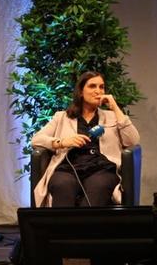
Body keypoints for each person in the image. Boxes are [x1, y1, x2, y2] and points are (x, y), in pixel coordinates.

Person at [31, 71, 140, 207]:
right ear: (81, 92)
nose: (98, 91)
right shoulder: (62, 117)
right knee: (62, 184)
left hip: (101, 168)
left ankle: (85, 227)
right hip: (69, 167)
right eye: (92, 86)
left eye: (101, 87)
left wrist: (115, 107)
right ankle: (60, 228)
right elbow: (36, 139)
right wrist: (61, 142)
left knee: (99, 186)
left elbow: (133, 140)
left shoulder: (112, 117)